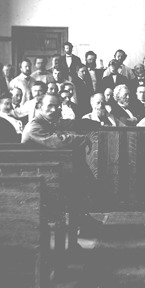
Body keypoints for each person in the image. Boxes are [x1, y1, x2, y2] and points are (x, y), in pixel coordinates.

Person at [21, 94, 104, 238]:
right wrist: (82, 139)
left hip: (47, 171)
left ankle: (81, 217)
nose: (54, 110)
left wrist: (93, 124)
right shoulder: (34, 126)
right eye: (50, 106)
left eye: (57, 106)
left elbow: (68, 124)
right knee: (76, 178)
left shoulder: (47, 121)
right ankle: (80, 219)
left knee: (78, 172)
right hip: (35, 175)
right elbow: (57, 141)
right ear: (39, 107)